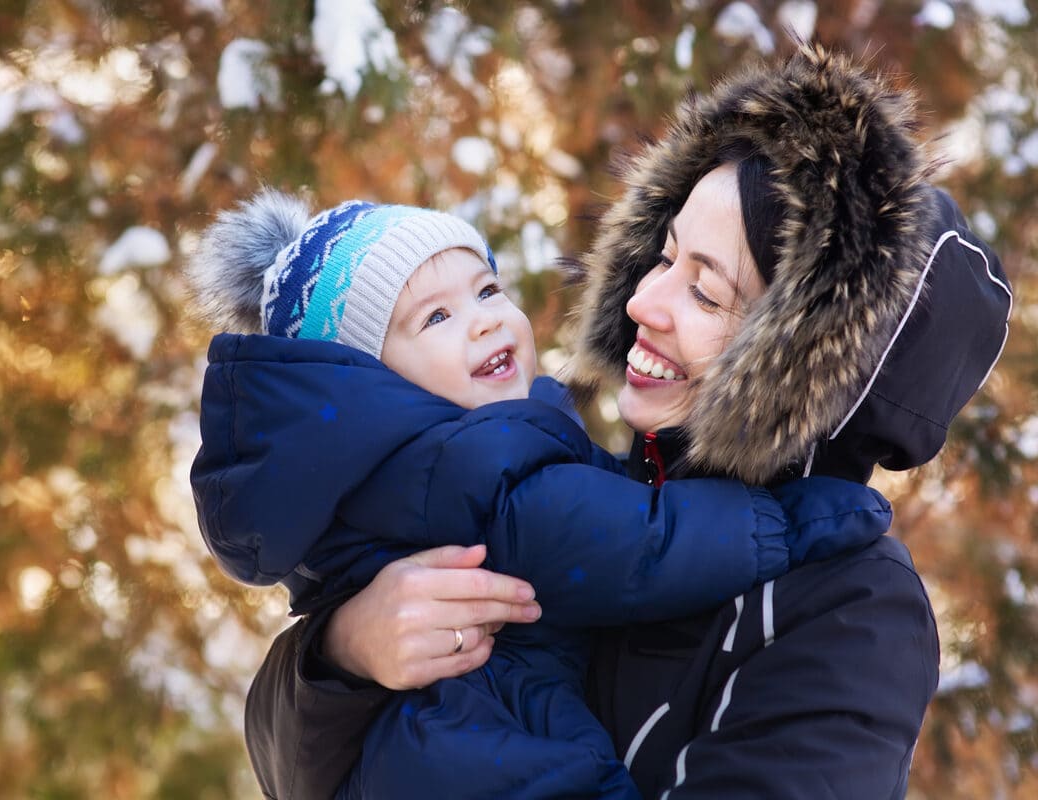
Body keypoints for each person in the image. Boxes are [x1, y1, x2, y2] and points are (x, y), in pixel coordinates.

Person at [239, 44, 1014, 799]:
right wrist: (344, 652)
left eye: (706, 294)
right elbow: (302, 769)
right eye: (665, 256)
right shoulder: (602, 488)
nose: (644, 300)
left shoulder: (852, 608)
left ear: (800, 366)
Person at [187, 181, 890, 798]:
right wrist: (789, 524)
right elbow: (628, 540)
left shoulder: (857, 602)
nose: (487, 318)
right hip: (473, 732)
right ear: (369, 382)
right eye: (436, 318)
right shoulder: (461, 462)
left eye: (487, 291)